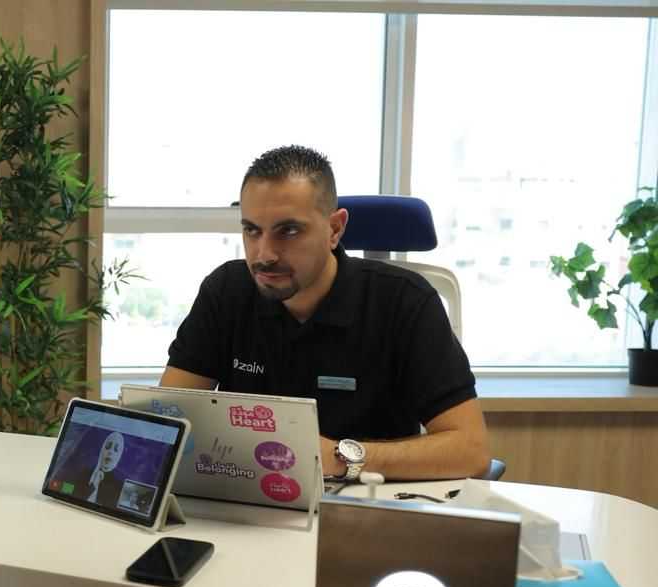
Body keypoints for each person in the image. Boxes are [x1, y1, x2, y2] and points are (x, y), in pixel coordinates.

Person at [161, 145, 490, 482]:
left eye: (288, 231)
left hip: (368, 502)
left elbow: (471, 452)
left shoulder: (406, 301)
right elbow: (167, 423)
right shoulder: (226, 292)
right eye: (252, 230)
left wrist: (338, 457)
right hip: (249, 501)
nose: (264, 254)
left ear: (335, 229)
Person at [73, 431, 125, 508]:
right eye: (108, 446)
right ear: (102, 450)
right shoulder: (85, 473)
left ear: (119, 456)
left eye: (116, 449)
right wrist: (93, 485)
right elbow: (75, 498)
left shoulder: (118, 486)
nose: (110, 452)